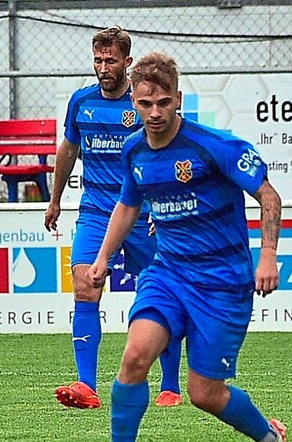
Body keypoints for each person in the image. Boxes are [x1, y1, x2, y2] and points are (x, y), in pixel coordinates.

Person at [87, 52, 287, 442]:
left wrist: (267, 256)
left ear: (178, 99)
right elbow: (128, 205)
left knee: (204, 394)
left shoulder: (215, 147)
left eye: (164, 102)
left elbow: (269, 196)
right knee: (134, 358)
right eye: (146, 104)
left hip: (222, 283)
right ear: (134, 103)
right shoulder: (133, 150)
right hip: (168, 274)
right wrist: (101, 258)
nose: (155, 112)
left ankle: (267, 435)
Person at [44, 27, 183, 410]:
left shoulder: (144, 105)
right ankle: (86, 386)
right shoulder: (81, 102)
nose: (104, 67)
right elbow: (68, 150)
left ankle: (169, 385)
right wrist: (54, 200)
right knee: (86, 284)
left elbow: (166, 155)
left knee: (158, 294)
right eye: (98, 60)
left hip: (142, 212)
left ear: (127, 62)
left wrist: (161, 205)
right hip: (96, 209)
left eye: (111, 60)